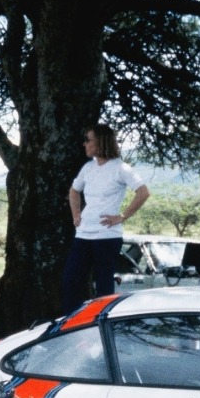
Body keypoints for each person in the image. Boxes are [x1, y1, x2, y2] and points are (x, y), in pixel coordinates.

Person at [61, 123, 149, 313]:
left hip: (107, 237)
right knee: (71, 281)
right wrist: (76, 214)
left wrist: (122, 216)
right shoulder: (88, 167)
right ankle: (71, 324)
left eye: (88, 140)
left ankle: (100, 323)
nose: (84, 144)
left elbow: (143, 192)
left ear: (100, 142)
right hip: (83, 234)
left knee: (103, 286)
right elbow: (74, 191)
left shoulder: (121, 168)